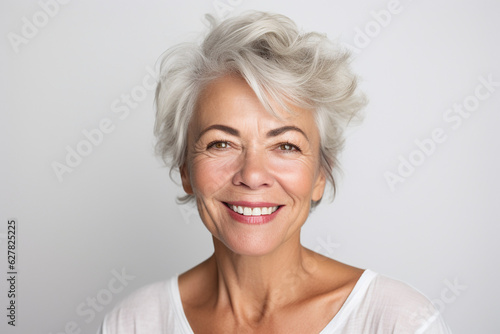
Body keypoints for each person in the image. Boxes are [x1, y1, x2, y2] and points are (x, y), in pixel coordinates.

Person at [99, 11, 451, 333]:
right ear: (186, 171)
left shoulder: (398, 321)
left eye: (286, 146)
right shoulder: (134, 322)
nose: (252, 175)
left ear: (320, 176)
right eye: (221, 143)